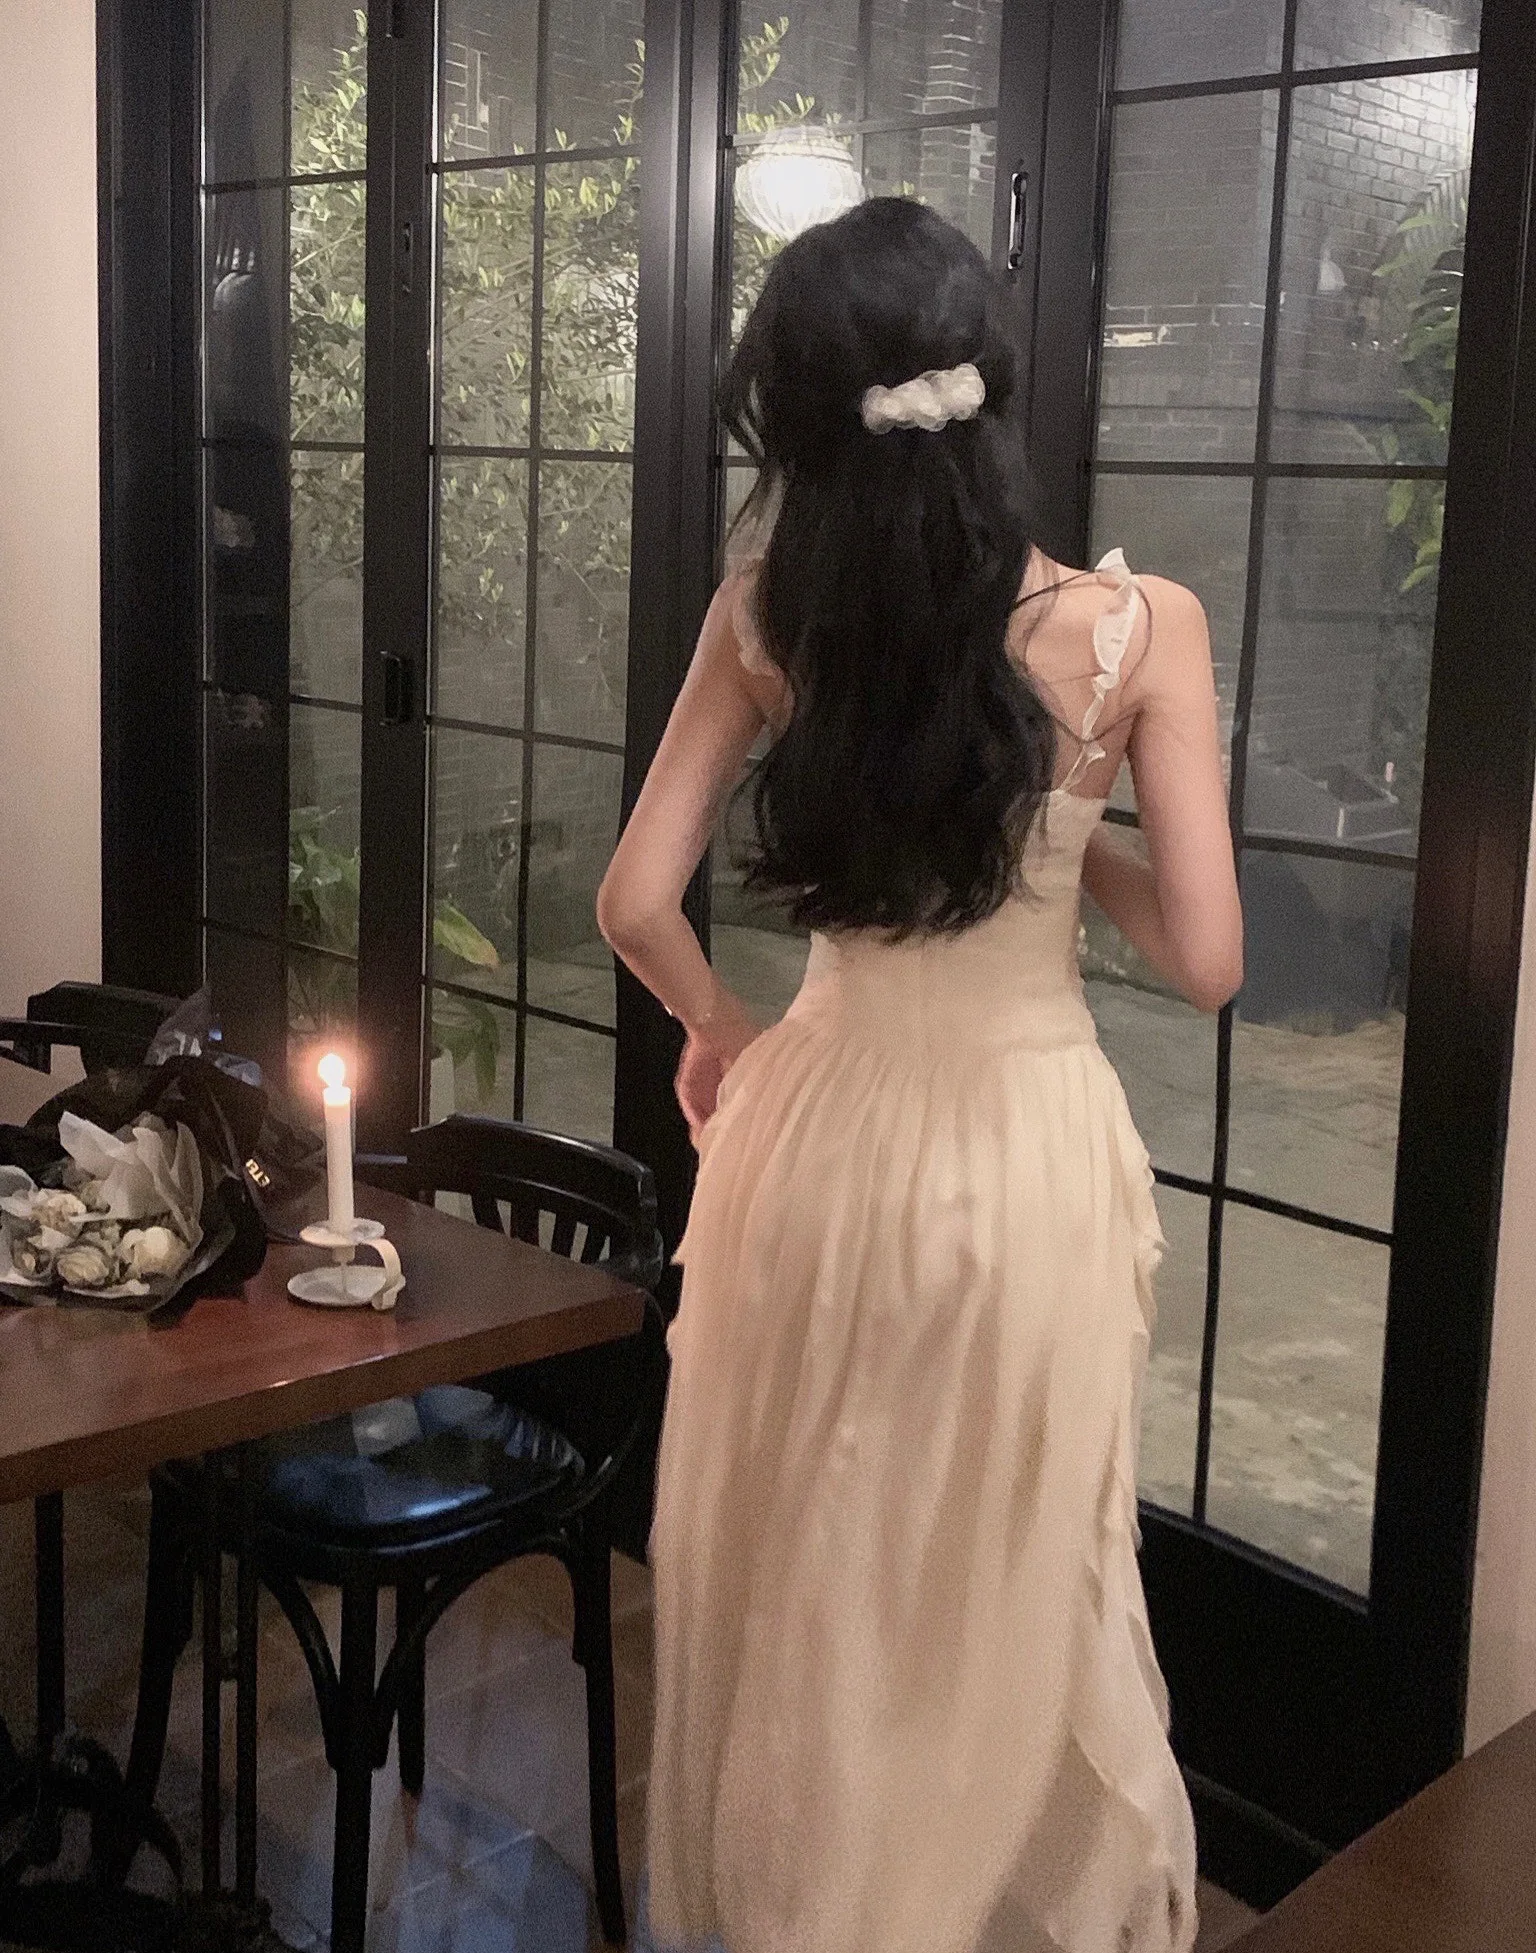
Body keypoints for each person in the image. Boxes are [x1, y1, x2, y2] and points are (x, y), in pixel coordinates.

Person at [597, 197, 1242, 1953]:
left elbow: (635, 902)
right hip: (1023, 1151)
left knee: (814, 1573)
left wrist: (719, 1033)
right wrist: (1070, 835)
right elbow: (1209, 960)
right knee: (1003, 1571)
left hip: (814, 1131)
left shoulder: (764, 614)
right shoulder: (1138, 629)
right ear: (992, 386)